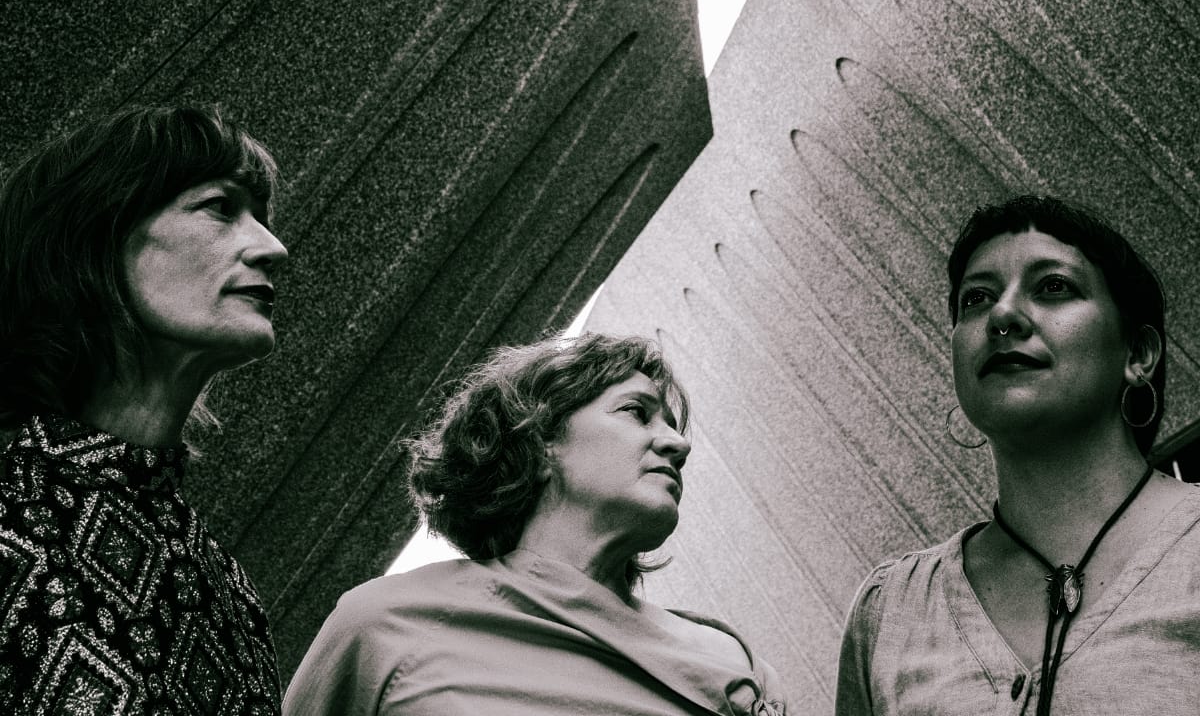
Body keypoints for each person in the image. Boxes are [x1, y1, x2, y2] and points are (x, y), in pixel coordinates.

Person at [284, 331, 788, 715]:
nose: (679, 446)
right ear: (540, 441)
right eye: (637, 413)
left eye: (672, 427)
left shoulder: (732, 660)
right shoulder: (385, 625)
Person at [835, 194, 1200, 715]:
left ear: (1137, 354)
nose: (1002, 314)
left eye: (1053, 286)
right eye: (975, 299)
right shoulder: (889, 613)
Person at [0, 104, 289, 714]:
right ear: (97, 232)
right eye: (220, 207)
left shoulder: (223, 581)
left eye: (261, 218)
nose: (273, 248)